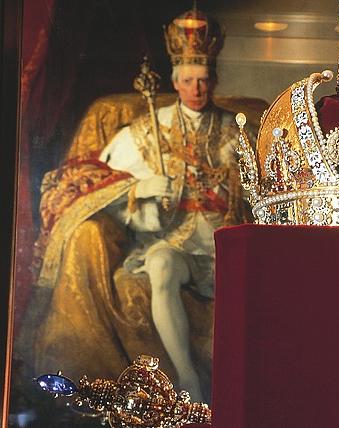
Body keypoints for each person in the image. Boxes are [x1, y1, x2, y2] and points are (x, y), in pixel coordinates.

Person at [32, 8, 250, 402]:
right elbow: (107, 195)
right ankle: (187, 376)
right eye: (188, 81)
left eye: (203, 81)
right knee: (162, 263)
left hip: (224, 244)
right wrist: (144, 191)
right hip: (172, 244)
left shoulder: (238, 130)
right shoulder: (146, 129)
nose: (197, 90)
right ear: (174, 81)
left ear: (213, 80)